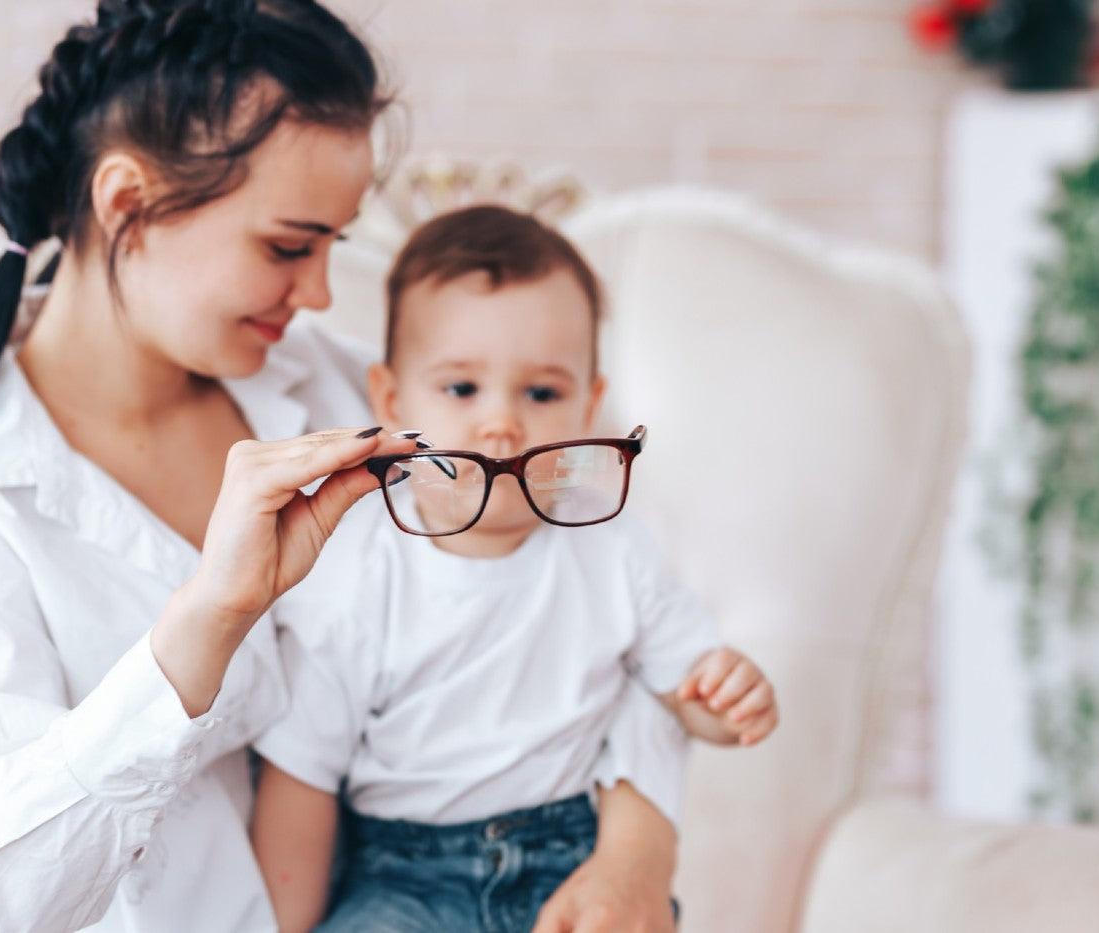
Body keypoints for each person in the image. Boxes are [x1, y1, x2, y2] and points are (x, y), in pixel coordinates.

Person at [0, 3, 694, 930]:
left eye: (333, 244)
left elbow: (591, 602)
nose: (319, 293)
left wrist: (639, 849)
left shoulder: (344, 395)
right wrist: (206, 623)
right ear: (127, 203)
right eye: (288, 246)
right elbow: (13, 895)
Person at [250, 206, 780, 932]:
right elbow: (302, 777)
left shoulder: (613, 546)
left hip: (573, 858)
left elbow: (680, 690)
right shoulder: (359, 564)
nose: (501, 422)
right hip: (405, 876)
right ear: (391, 400)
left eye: (542, 392)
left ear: (590, 406)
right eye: (462, 389)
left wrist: (726, 701)